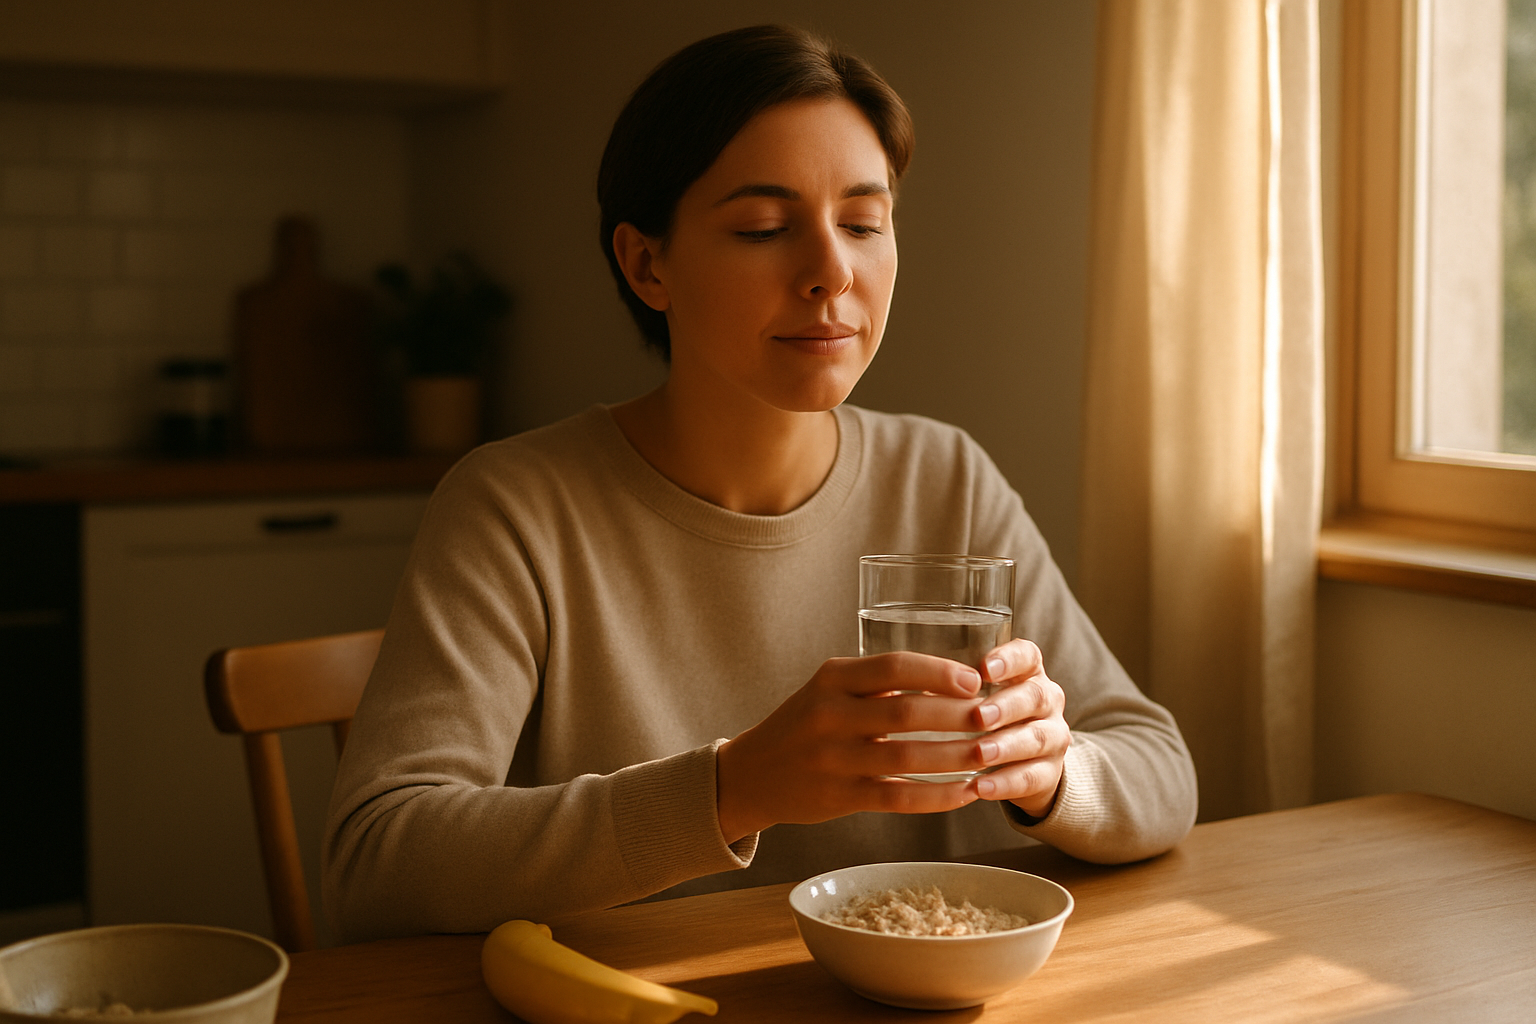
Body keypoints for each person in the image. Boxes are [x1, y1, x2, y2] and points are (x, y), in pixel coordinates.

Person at [323, 24, 1197, 943]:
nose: (832, 272)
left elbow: (1160, 771)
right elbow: (380, 862)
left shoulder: (945, 477)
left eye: (863, 223)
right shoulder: (517, 508)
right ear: (646, 263)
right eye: (764, 229)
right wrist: (732, 788)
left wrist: (1051, 772)